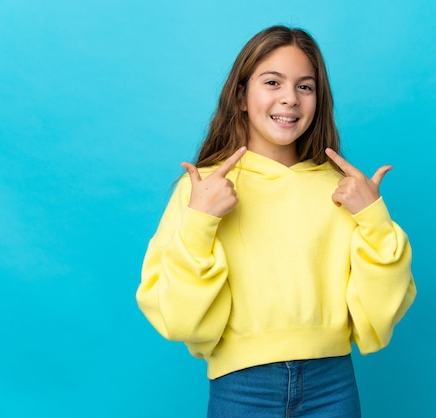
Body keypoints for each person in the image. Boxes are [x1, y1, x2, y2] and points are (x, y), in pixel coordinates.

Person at [136, 25, 416, 417]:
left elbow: (381, 309)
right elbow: (178, 317)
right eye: (272, 82)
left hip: (332, 382)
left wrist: (374, 219)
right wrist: (200, 221)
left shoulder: (343, 190)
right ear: (241, 97)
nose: (290, 99)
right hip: (241, 385)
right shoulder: (204, 189)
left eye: (305, 86)